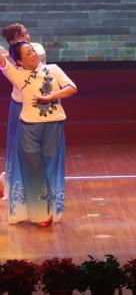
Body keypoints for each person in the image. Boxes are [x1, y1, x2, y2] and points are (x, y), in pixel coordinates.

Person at [0, 41, 76, 226]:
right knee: (33, 169)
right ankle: (41, 213)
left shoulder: (53, 69)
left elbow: (72, 88)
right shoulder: (16, 74)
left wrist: (51, 96)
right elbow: (2, 61)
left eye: (32, 50)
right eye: (28, 53)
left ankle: (51, 208)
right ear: (19, 61)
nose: (33, 54)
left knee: (49, 165)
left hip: (54, 125)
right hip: (28, 127)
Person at [1, 23, 46, 204]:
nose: (27, 37)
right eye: (22, 35)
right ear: (12, 41)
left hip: (37, 105)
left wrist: (9, 54)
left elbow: (29, 60)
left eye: (27, 33)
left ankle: (37, 188)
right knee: (18, 147)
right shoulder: (8, 58)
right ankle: (12, 185)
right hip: (19, 105)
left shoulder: (36, 49)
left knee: (37, 148)